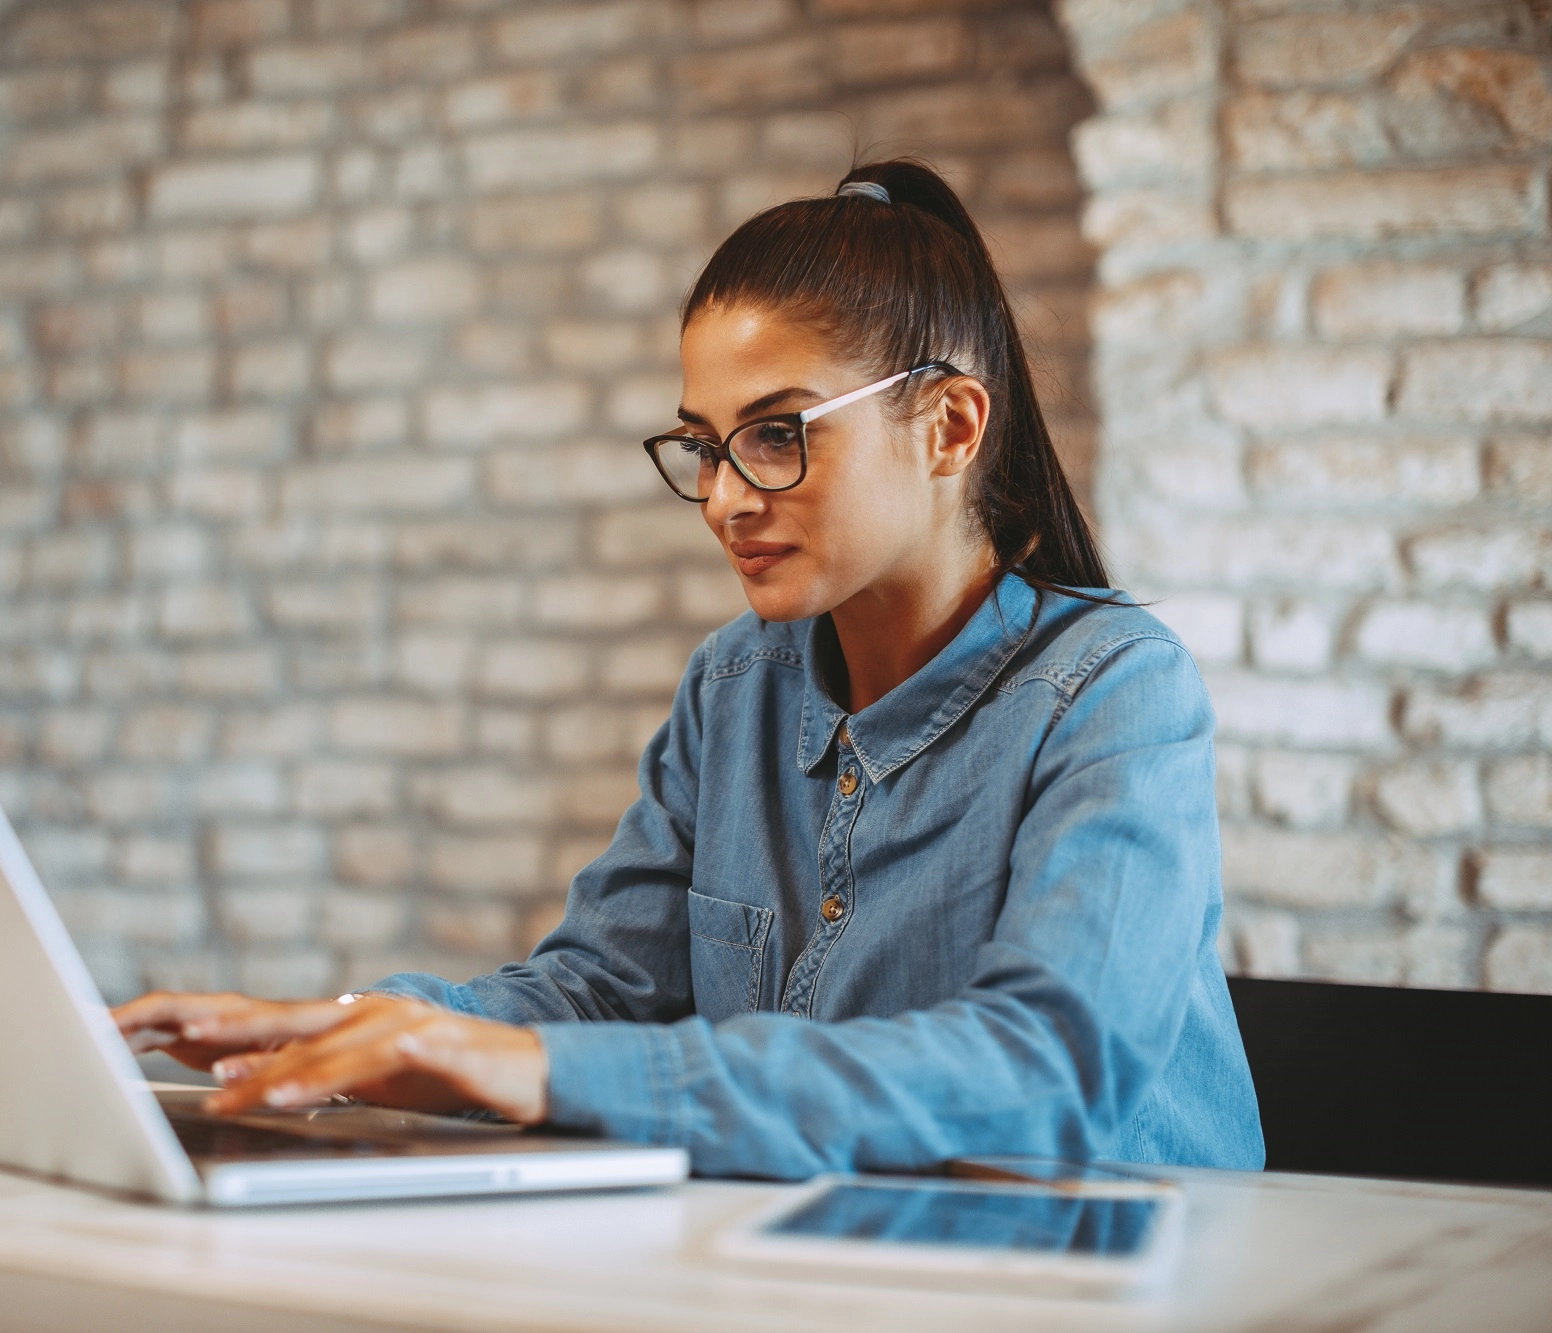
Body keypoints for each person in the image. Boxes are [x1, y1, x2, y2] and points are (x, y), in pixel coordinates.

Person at [114, 159, 1266, 1177]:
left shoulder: (1114, 691)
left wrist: (537, 1072)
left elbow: (1046, 1071)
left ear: (950, 428)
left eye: (777, 434)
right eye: (704, 445)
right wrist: (362, 1024)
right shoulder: (737, 687)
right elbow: (599, 991)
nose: (722, 497)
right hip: (820, 1265)